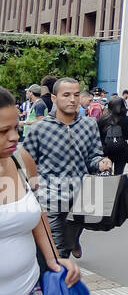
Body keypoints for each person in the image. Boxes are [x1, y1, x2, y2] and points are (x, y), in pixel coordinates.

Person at [1, 87, 82, 295]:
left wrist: (52, 258)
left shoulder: (21, 161)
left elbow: (36, 211)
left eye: (15, 127)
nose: (14, 137)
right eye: (3, 132)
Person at [20, 78, 111, 259]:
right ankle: (57, 281)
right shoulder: (40, 128)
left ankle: (73, 242)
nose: (72, 99)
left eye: (76, 95)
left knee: (68, 242)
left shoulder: (89, 125)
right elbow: (25, 154)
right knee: (57, 253)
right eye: (66, 95)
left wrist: (101, 162)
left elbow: (94, 155)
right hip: (51, 198)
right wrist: (34, 180)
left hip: (80, 198)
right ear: (54, 98)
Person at [97, 95, 128, 176]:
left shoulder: (103, 119)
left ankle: (108, 188)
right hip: (121, 150)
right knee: (118, 175)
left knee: (106, 174)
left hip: (106, 151)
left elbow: (99, 136)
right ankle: (117, 188)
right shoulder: (125, 119)